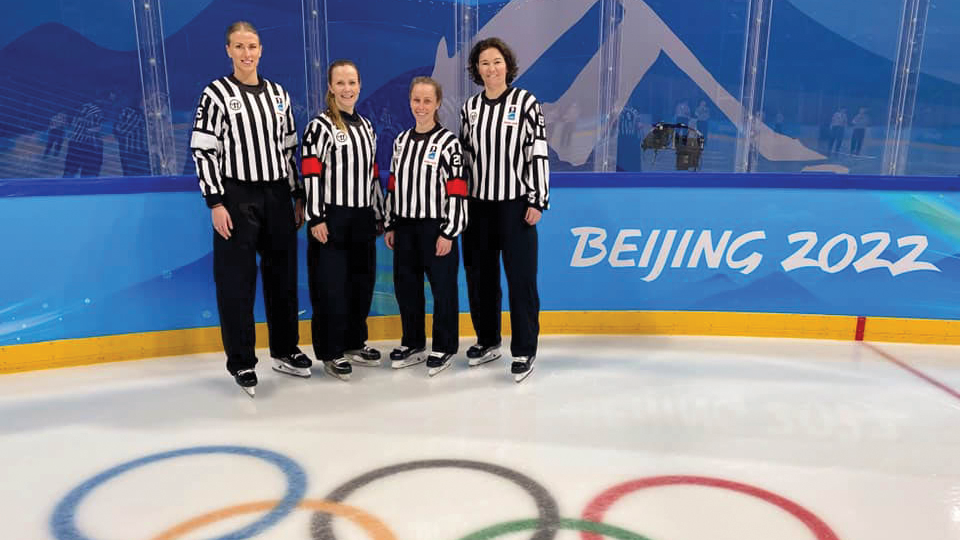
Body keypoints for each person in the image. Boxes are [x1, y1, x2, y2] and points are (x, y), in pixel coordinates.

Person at [190, 21, 311, 396]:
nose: (247, 53)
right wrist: (216, 201)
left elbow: (289, 150)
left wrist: (297, 196)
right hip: (237, 196)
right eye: (239, 46)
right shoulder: (216, 94)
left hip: (277, 196)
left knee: (283, 278)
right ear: (228, 50)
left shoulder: (278, 94)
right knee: (236, 283)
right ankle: (242, 361)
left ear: (261, 50)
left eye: (253, 46)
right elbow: (203, 150)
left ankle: (286, 349)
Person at [459, 37, 549, 383]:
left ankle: (525, 349)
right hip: (478, 208)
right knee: (480, 278)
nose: (491, 68)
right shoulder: (470, 108)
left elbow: (537, 151)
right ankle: (488, 340)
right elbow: (465, 160)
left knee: (521, 280)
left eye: (496, 62)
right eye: (484, 63)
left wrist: (537, 200)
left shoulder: (526, 102)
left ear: (507, 66)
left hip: (516, 207)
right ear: (476, 70)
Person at [301, 59, 385, 381]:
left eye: (352, 82)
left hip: (362, 216)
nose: (347, 88)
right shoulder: (320, 127)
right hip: (331, 217)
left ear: (359, 85)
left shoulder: (366, 127)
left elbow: (371, 175)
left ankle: (353, 342)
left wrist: (378, 213)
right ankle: (330, 350)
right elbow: (310, 172)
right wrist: (316, 217)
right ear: (331, 87)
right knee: (330, 287)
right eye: (341, 83)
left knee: (360, 283)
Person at [383, 77, 467, 376]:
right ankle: (413, 342)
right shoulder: (401, 141)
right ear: (410, 102)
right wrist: (390, 222)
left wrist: (449, 231)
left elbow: (457, 189)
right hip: (405, 227)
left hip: (437, 228)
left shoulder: (448, 144)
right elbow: (393, 185)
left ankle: (444, 346)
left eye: (427, 101)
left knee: (443, 289)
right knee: (407, 287)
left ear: (438, 103)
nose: (421, 106)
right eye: (416, 100)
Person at [63, 99, 104, 177]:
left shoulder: (82, 107)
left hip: (74, 141)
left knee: (70, 170)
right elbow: (93, 129)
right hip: (87, 144)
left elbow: (74, 123)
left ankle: (66, 186)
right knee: (88, 172)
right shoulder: (96, 111)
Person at [114, 102, 149, 176]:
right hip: (135, 153)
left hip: (134, 153)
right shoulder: (132, 113)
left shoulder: (134, 113)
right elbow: (120, 131)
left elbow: (118, 130)